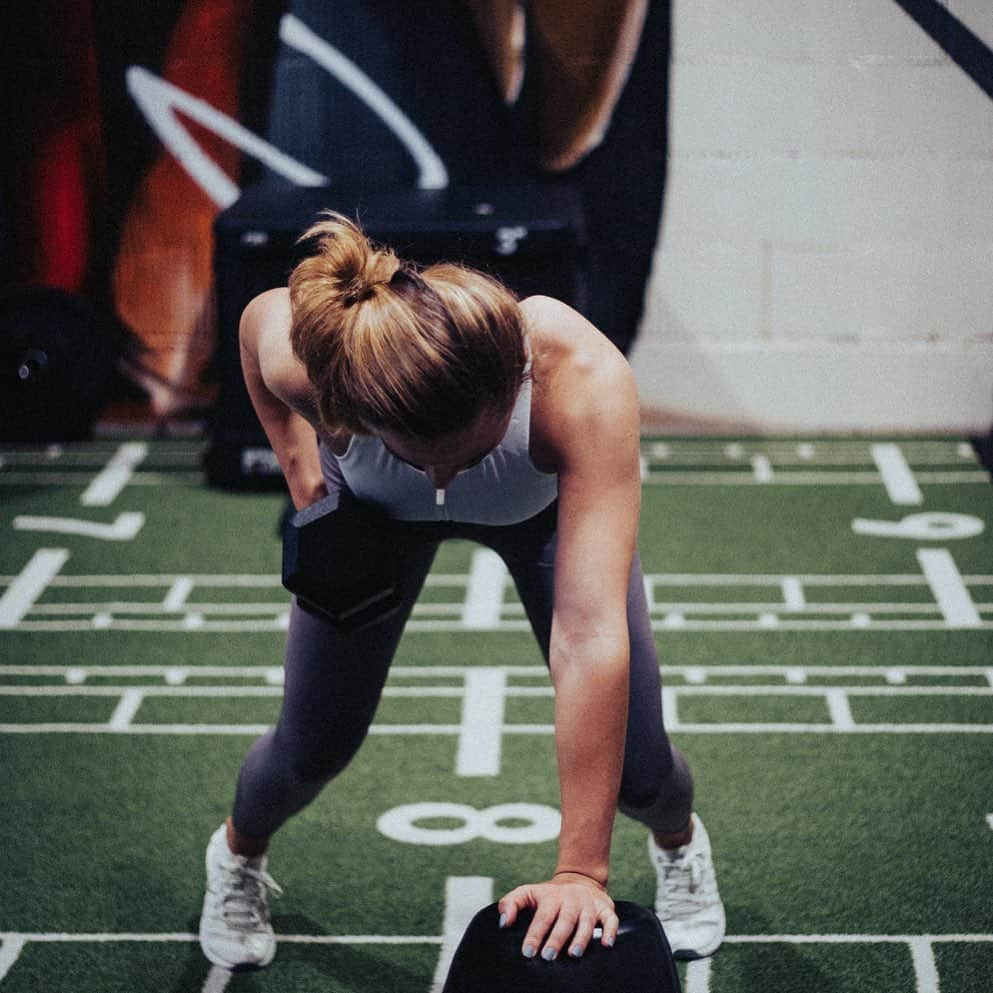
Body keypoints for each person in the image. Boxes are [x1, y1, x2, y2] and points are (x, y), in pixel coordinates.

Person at [198, 211, 725, 971]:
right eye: (425, 460)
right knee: (310, 747)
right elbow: (257, 323)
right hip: (375, 517)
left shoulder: (577, 377)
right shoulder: (317, 369)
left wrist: (581, 869)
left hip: (536, 515)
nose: (445, 481)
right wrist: (304, 478)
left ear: (507, 390)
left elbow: (588, 635)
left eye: (465, 455)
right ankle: (238, 857)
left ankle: (679, 846)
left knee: (641, 770)